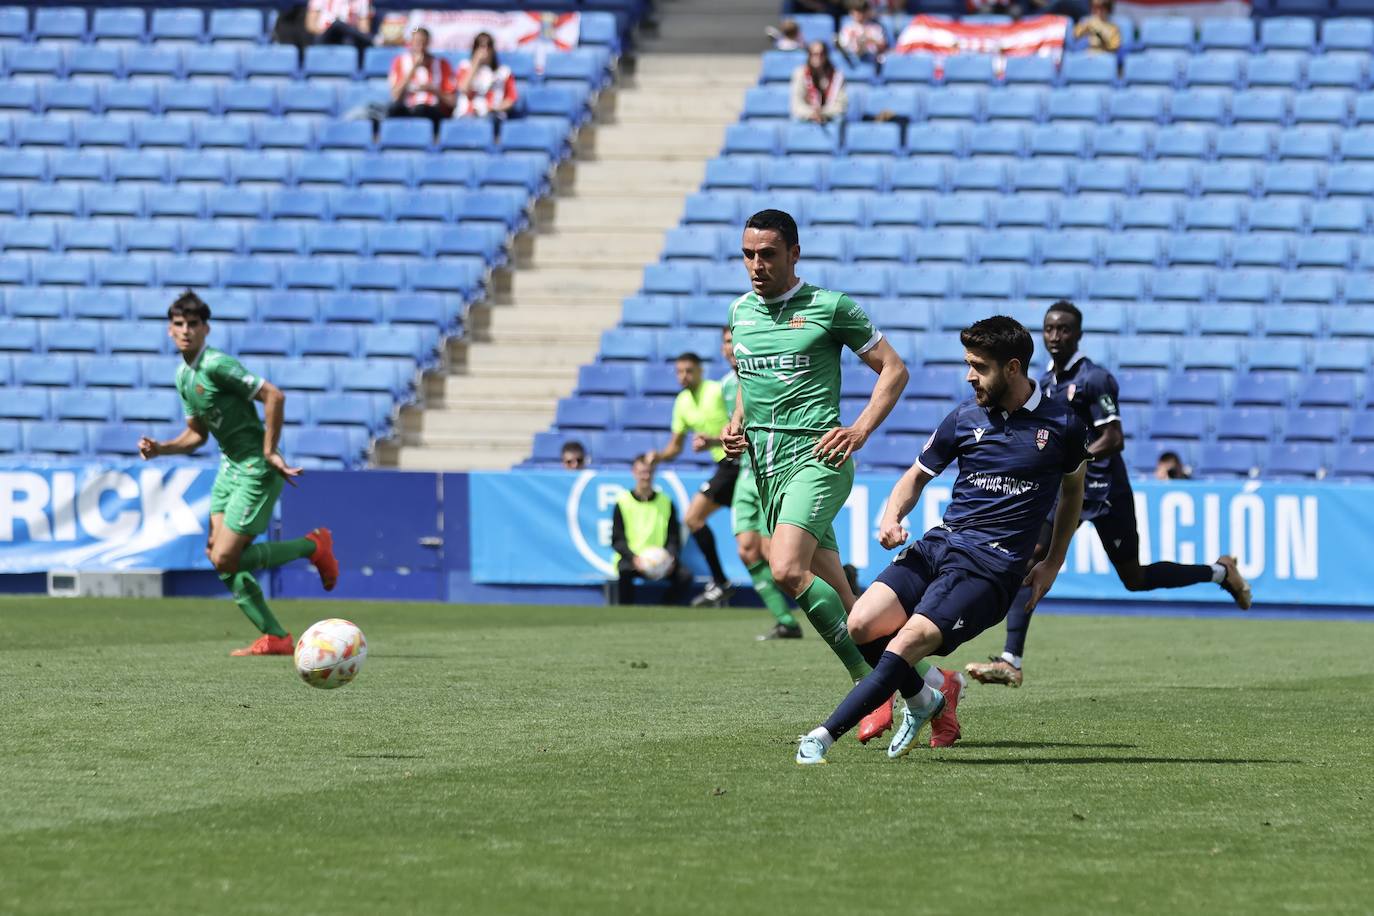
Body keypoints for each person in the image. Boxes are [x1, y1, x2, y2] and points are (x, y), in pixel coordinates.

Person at [795, 317, 1092, 765]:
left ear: (1012, 368)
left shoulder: (1063, 425)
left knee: (904, 643)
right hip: (941, 545)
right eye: (967, 364)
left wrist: (1053, 561)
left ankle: (822, 735)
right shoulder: (965, 417)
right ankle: (929, 698)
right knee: (860, 624)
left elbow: (1073, 493)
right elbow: (915, 477)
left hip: (990, 568)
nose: (969, 376)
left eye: (978, 367)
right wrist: (892, 514)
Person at [966, 302, 1253, 689]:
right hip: (1069, 489)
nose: (1055, 336)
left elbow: (1113, 438)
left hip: (1106, 489)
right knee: (1033, 555)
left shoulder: (1095, 379)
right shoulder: (1046, 382)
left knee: (1134, 578)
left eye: (1064, 329)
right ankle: (1011, 659)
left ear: (1078, 334)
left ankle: (1220, 572)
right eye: (1050, 329)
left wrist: (1072, 456)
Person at [722, 208, 911, 743]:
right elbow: (748, 380)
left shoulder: (830, 307)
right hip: (767, 468)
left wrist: (860, 429)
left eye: (768, 255)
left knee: (784, 569)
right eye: (748, 255)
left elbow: (894, 369)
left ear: (794, 254)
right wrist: (737, 423)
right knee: (850, 606)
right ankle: (931, 685)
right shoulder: (741, 313)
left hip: (818, 460)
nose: (756, 265)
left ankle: (867, 687)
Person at [137, 291, 339, 657]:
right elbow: (197, 434)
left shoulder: (216, 365)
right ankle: (276, 637)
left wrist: (268, 450)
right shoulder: (184, 376)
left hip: (254, 468)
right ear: (170, 331)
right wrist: (162, 448)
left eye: (193, 325)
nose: (186, 331)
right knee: (218, 557)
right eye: (179, 325)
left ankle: (313, 546)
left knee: (226, 559)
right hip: (228, 467)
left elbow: (274, 396)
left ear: (205, 329)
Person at [719, 326, 801, 640]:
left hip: (771, 469)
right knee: (747, 549)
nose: (730, 347)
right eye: (726, 342)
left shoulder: (768, 378)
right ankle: (786, 621)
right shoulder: (726, 386)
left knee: (776, 554)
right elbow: (731, 429)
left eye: (734, 341)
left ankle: (838, 599)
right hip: (744, 473)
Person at [646, 352, 738, 608]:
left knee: (693, 518)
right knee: (760, 543)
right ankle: (721, 581)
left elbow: (741, 428)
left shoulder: (717, 391)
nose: (683, 376)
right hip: (725, 467)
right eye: (679, 371)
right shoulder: (682, 402)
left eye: (688, 370)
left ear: (700, 371)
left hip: (738, 462)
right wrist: (659, 456)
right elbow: (675, 447)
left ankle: (721, 581)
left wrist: (712, 441)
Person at [609, 453, 694, 605]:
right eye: (642, 472)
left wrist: (670, 558)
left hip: (661, 560)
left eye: (649, 472)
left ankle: (664, 609)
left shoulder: (666, 502)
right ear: (634, 473)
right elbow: (617, 540)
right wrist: (634, 559)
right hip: (633, 559)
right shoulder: (623, 502)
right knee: (624, 571)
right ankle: (625, 613)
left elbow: (674, 537)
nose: (646, 477)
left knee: (685, 576)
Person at [387, 27, 455, 132]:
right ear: (411, 43)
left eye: (424, 43)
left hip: (431, 110)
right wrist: (413, 68)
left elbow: (452, 101)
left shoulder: (442, 64)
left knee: (421, 109)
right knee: (393, 110)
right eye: (417, 42)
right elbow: (395, 95)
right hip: (408, 109)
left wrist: (434, 90)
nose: (421, 47)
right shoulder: (400, 62)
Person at [454, 31, 519, 120]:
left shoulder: (504, 71)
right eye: (479, 46)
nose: (484, 50)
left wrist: (493, 108)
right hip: (467, 114)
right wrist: (476, 63)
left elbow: (511, 99)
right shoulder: (465, 66)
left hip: (492, 115)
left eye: (488, 46)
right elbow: (463, 89)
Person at [790, 41, 847, 125]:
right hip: (808, 115)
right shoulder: (800, 74)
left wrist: (823, 113)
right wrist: (811, 113)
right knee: (796, 119)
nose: (818, 57)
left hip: (828, 115)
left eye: (822, 53)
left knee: (840, 120)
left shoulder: (836, 76)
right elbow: (796, 105)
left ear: (826, 55)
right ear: (809, 55)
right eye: (814, 54)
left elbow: (841, 105)